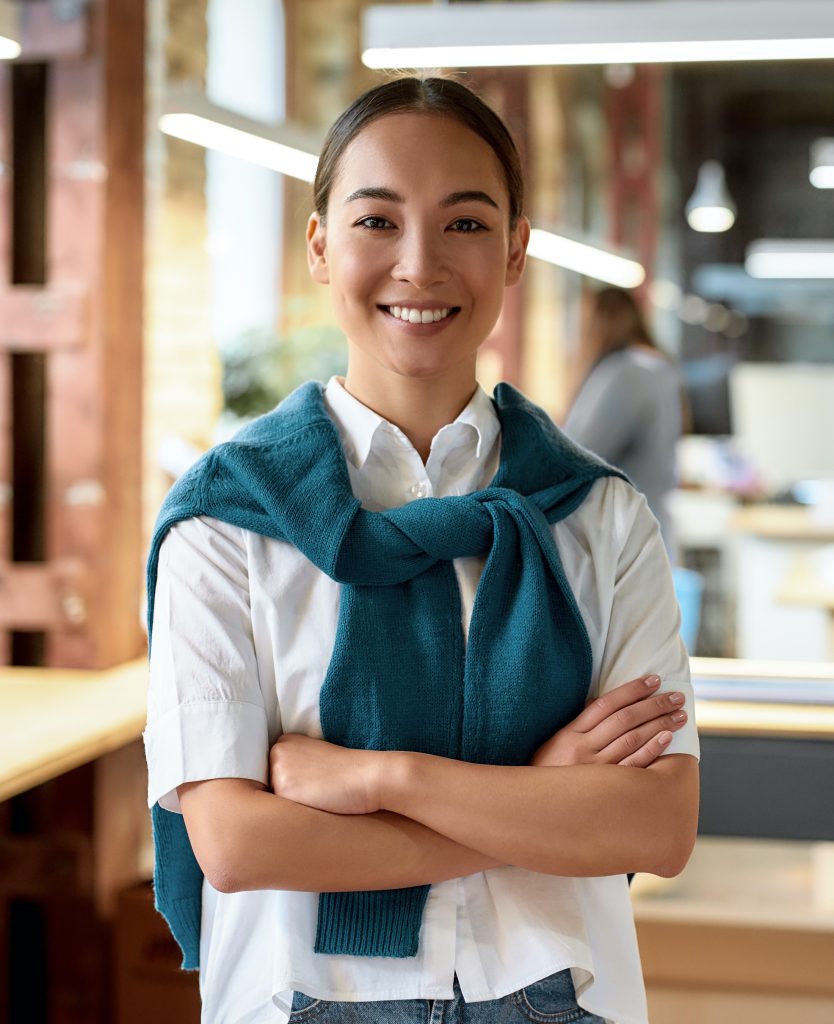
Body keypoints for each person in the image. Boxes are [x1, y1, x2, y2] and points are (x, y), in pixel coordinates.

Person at [143, 76, 699, 1024]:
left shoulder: (599, 518)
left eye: (467, 224)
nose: (419, 263)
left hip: (557, 998)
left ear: (517, 249)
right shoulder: (226, 522)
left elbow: (654, 823)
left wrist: (379, 780)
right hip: (301, 1000)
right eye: (376, 220)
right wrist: (537, 806)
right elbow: (236, 843)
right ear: (320, 244)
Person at [563, 287, 683, 560]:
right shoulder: (658, 367)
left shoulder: (629, 374)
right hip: (649, 534)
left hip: (624, 545)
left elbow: (573, 456)